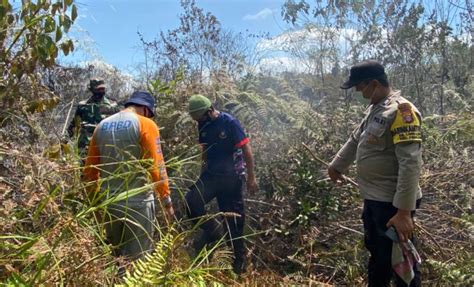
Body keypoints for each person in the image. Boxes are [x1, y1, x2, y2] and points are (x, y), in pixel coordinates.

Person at [327, 60, 422, 287]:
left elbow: (410, 164)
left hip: (393, 205)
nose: (359, 92)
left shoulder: (401, 112)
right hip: (375, 201)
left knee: (402, 263)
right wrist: (336, 165)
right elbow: (355, 139)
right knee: (378, 257)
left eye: (361, 87)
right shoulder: (375, 109)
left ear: (375, 83)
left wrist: (404, 212)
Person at [83, 91, 174, 261]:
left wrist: (95, 205)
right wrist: (167, 201)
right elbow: (157, 167)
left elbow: (90, 172)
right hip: (138, 205)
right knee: (138, 263)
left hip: (109, 205)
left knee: (114, 258)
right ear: (146, 110)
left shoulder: (101, 126)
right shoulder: (145, 124)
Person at [184, 94, 258, 274]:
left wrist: (251, 177)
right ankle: (212, 231)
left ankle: (237, 263)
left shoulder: (229, 122)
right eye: (196, 119)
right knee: (191, 201)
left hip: (231, 177)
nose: (198, 122)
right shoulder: (203, 124)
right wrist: (202, 173)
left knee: (233, 220)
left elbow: (246, 148)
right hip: (211, 175)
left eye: (200, 118)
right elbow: (205, 150)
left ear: (209, 111)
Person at [68, 79, 119, 156]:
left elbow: (119, 126)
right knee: (84, 167)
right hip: (85, 145)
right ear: (92, 89)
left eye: (103, 88)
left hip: (106, 144)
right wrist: (64, 141)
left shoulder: (112, 106)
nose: (101, 91)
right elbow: (74, 124)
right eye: (98, 89)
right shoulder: (83, 105)